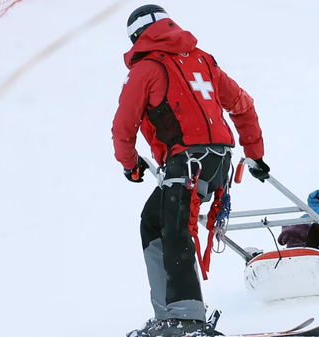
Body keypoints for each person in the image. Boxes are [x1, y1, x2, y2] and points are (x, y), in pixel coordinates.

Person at [112, 5, 269, 337]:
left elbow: (123, 125)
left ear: (136, 36)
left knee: (175, 229)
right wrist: (254, 154)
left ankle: (185, 319)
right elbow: (243, 104)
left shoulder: (147, 68)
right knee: (153, 221)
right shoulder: (202, 60)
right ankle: (168, 316)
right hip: (218, 163)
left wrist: (130, 165)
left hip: (186, 163)